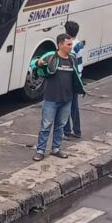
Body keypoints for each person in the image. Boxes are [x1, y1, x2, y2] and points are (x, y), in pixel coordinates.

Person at [31, 33, 85, 161]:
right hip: (51, 99)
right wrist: (38, 63)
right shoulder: (50, 56)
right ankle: (40, 150)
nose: (71, 47)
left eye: (71, 44)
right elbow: (34, 63)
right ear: (60, 45)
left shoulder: (72, 58)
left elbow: (76, 76)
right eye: (68, 44)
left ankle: (56, 148)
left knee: (60, 126)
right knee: (46, 126)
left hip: (67, 99)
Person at [62, 21, 85, 139]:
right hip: (78, 77)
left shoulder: (70, 46)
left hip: (70, 79)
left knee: (65, 105)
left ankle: (66, 132)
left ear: (67, 32)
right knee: (74, 107)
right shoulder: (79, 44)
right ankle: (77, 130)